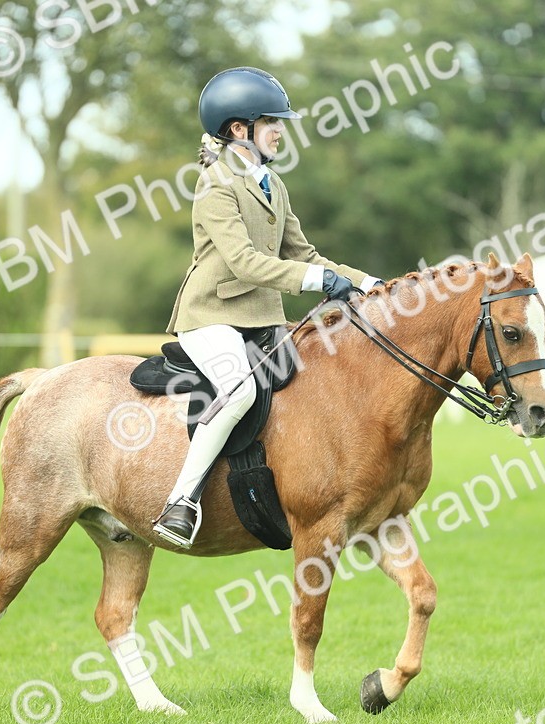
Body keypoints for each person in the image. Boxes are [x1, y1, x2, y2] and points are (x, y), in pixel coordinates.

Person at [153, 67, 383, 547]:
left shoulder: (272, 185)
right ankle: (182, 501)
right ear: (240, 130)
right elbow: (245, 262)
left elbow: (306, 255)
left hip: (261, 318)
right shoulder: (215, 184)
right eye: (273, 122)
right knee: (237, 390)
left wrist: (371, 284)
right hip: (210, 316)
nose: (281, 131)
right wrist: (317, 281)